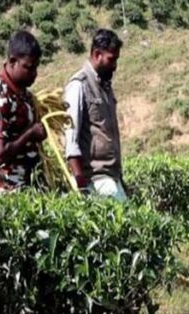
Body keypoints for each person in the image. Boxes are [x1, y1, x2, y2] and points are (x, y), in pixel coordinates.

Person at [0, 30, 46, 193]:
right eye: (29, 68)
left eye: (36, 67)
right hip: (13, 191)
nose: (34, 74)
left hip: (35, 184)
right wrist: (30, 134)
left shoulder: (23, 93)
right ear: (12, 61)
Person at [64, 29, 125, 200]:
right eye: (111, 59)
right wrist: (81, 185)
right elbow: (71, 140)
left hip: (111, 177)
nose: (115, 66)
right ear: (97, 54)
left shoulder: (106, 87)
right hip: (95, 180)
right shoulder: (79, 85)